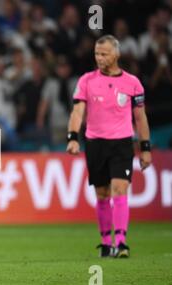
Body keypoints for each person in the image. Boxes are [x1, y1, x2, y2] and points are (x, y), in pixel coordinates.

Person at [66, 35, 152, 258]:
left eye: (104, 53)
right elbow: (77, 111)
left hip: (122, 143)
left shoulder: (132, 83)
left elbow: (140, 118)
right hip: (95, 143)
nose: (99, 58)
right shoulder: (86, 80)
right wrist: (73, 137)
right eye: (97, 53)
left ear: (116, 54)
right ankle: (106, 243)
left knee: (119, 189)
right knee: (102, 194)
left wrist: (145, 148)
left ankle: (121, 242)